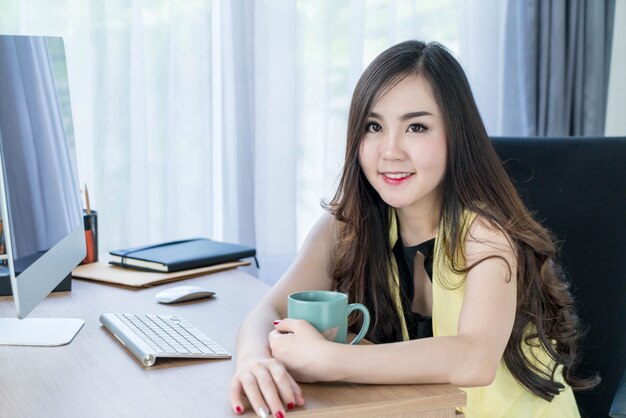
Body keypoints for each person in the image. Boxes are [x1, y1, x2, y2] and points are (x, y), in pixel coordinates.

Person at [229, 40, 598, 418]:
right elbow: (267, 310)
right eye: (373, 126)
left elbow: (475, 359)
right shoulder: (345, 228)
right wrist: (254, 362)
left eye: (416, 127)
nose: (390, 151)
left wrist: (330, 359)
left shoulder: (487, 235)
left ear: (456, 136)